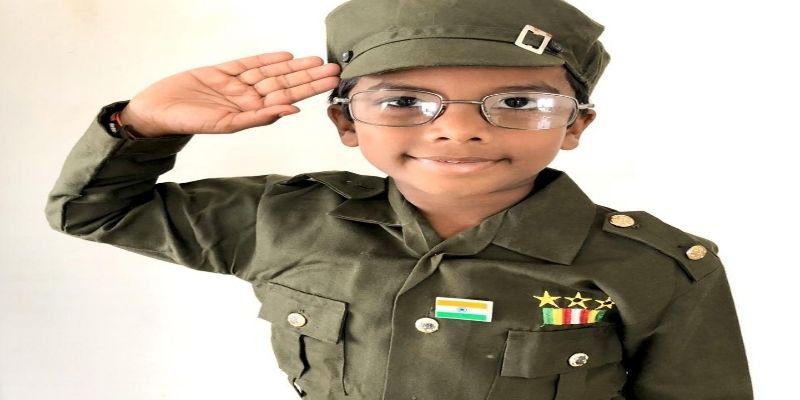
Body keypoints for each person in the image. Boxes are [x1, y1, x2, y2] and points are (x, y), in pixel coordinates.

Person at [46, 0, 752, 398]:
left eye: (517, 101)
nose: (458, 129)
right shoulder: (283, 221)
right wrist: (140, 127)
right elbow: (93, 211)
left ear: (575, 125)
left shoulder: (654, 268)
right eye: (405, 101)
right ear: (345, 122)